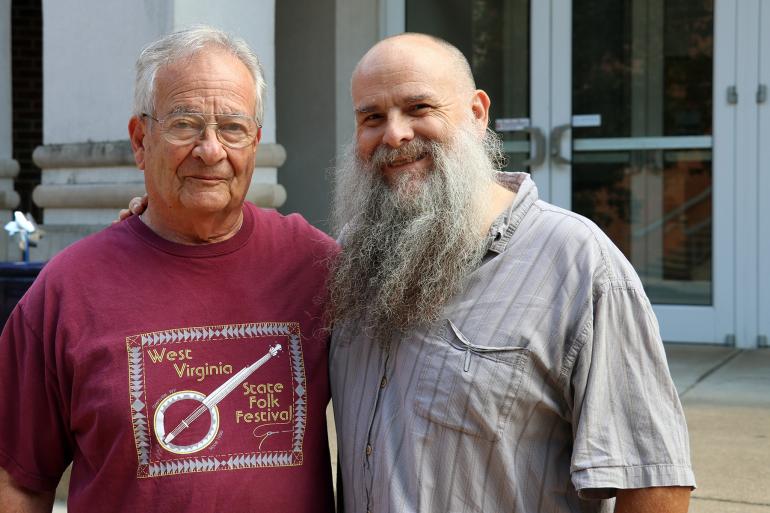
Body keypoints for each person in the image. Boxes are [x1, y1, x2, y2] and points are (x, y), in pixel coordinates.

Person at [326, 33, 695, 513]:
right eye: (372, 117)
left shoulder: (577, 263)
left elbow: (653, 480)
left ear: (477, 114)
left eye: (419, 108)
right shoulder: (351, 254)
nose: (394, 134)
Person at [0, 26, 336, 513]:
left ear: (255, 143)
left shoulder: (316, 265)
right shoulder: (69, 287)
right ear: (141, 140)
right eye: (184, 124)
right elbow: (17, 478)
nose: (211, 149)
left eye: (233, 128)